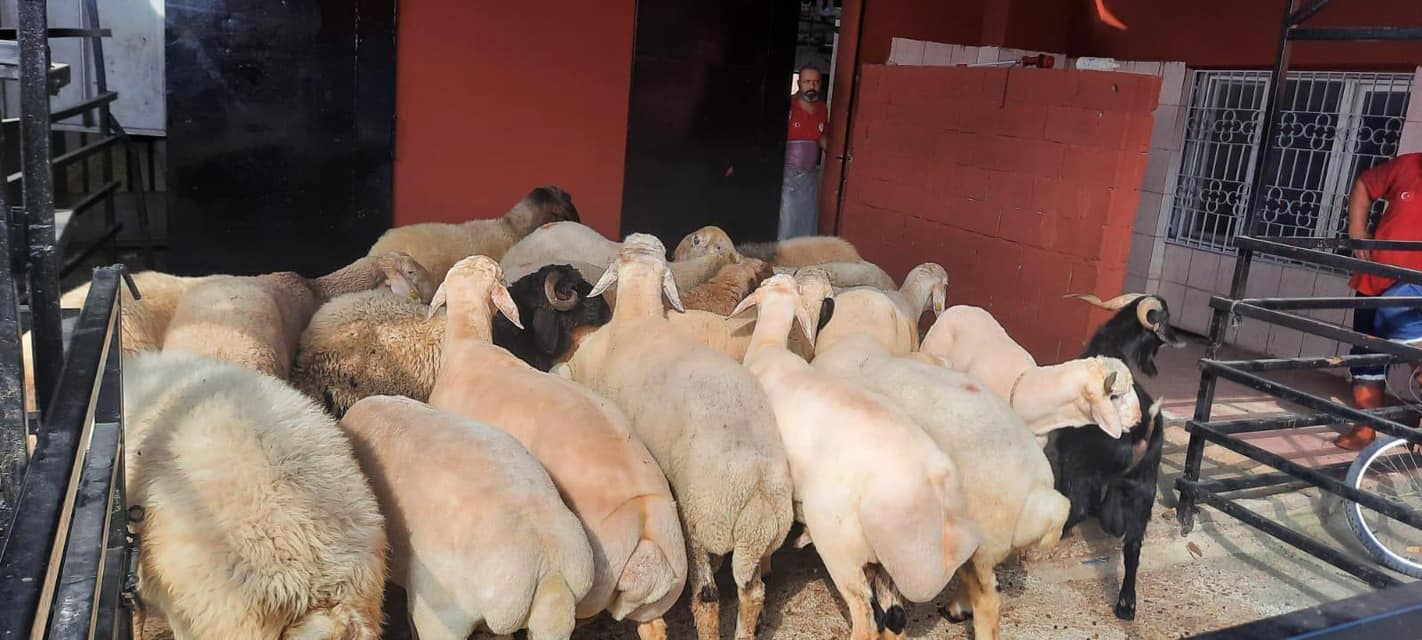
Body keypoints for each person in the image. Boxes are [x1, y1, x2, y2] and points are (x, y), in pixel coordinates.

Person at [1337, 151, 1422, 450]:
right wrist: (1358, 232)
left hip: (1417, 290)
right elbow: (1364, 185)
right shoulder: (1406, 165)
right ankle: (1365, 428)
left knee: (1416, 349)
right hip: (1374, 281)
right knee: (1365, 355)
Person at [779, 64, 829, 240]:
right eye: (807, 82)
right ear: (799, 83)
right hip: (787, 177)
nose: (811, 86)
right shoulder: (788, 106)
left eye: (815, 82)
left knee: (807, 221)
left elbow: (822, 138)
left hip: (809, 178)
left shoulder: (822, 109)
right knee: (787, 220)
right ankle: (781, 259)